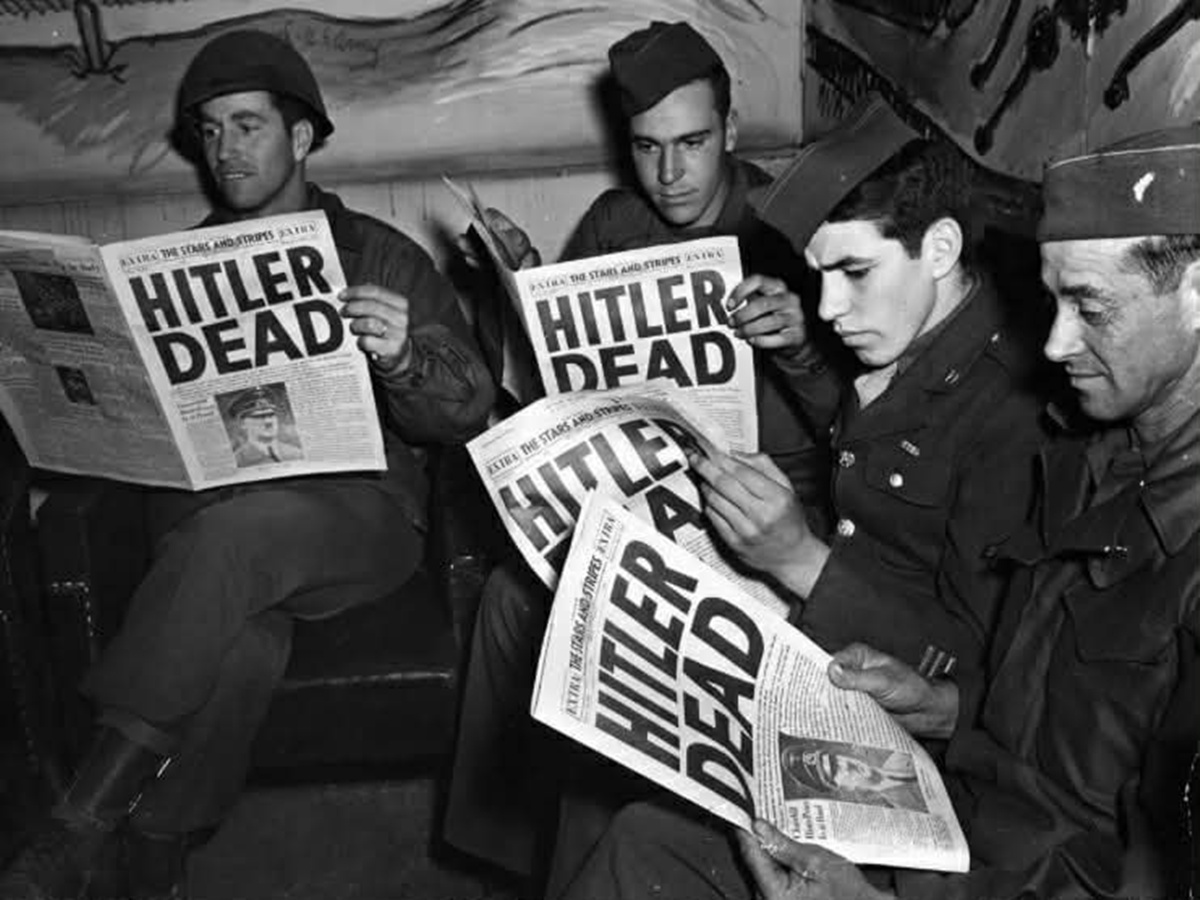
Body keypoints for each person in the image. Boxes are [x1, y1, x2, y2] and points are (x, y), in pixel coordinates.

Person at [551, 122, 1200, 900]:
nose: (1055, 345)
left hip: (1000, 872)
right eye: (1053, 299)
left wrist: (799, 561)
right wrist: (944, 705)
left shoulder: (1042, 431)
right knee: (637, 820)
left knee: (642, 833)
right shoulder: (1099, 454)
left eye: (1089, 307)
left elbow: (1139, 863)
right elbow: (1042, 705)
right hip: (963, 806)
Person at [0, 29, 494, 899]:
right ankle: (154, 851)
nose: (224, 148)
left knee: (232, 541)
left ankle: (76, 824)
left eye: (246, 125)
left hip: (356, 519)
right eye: (210, 129)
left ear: (301, 137)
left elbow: (468, 408)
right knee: (241, 647)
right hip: (211, 522)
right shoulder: (173, 268)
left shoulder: (377, 254)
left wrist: (405, 358)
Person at [442, 20, 836, 883]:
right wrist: (522, 285)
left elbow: (857, 423)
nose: (670, 173)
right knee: (510, 598)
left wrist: (805, 346)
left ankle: (586, 869)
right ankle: (511, 855)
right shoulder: (617, 220)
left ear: (731, 131)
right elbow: (558, 382)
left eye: (692, 143)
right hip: (643, 495)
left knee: (610, 637)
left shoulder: (792, 226)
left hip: (774, 514)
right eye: (648, 147)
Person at [226, 386, 304, 467]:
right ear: (242, 423)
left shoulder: (297, 453)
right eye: (258, 417)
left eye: (271, 415)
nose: (268, 422)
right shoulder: (238, 461)